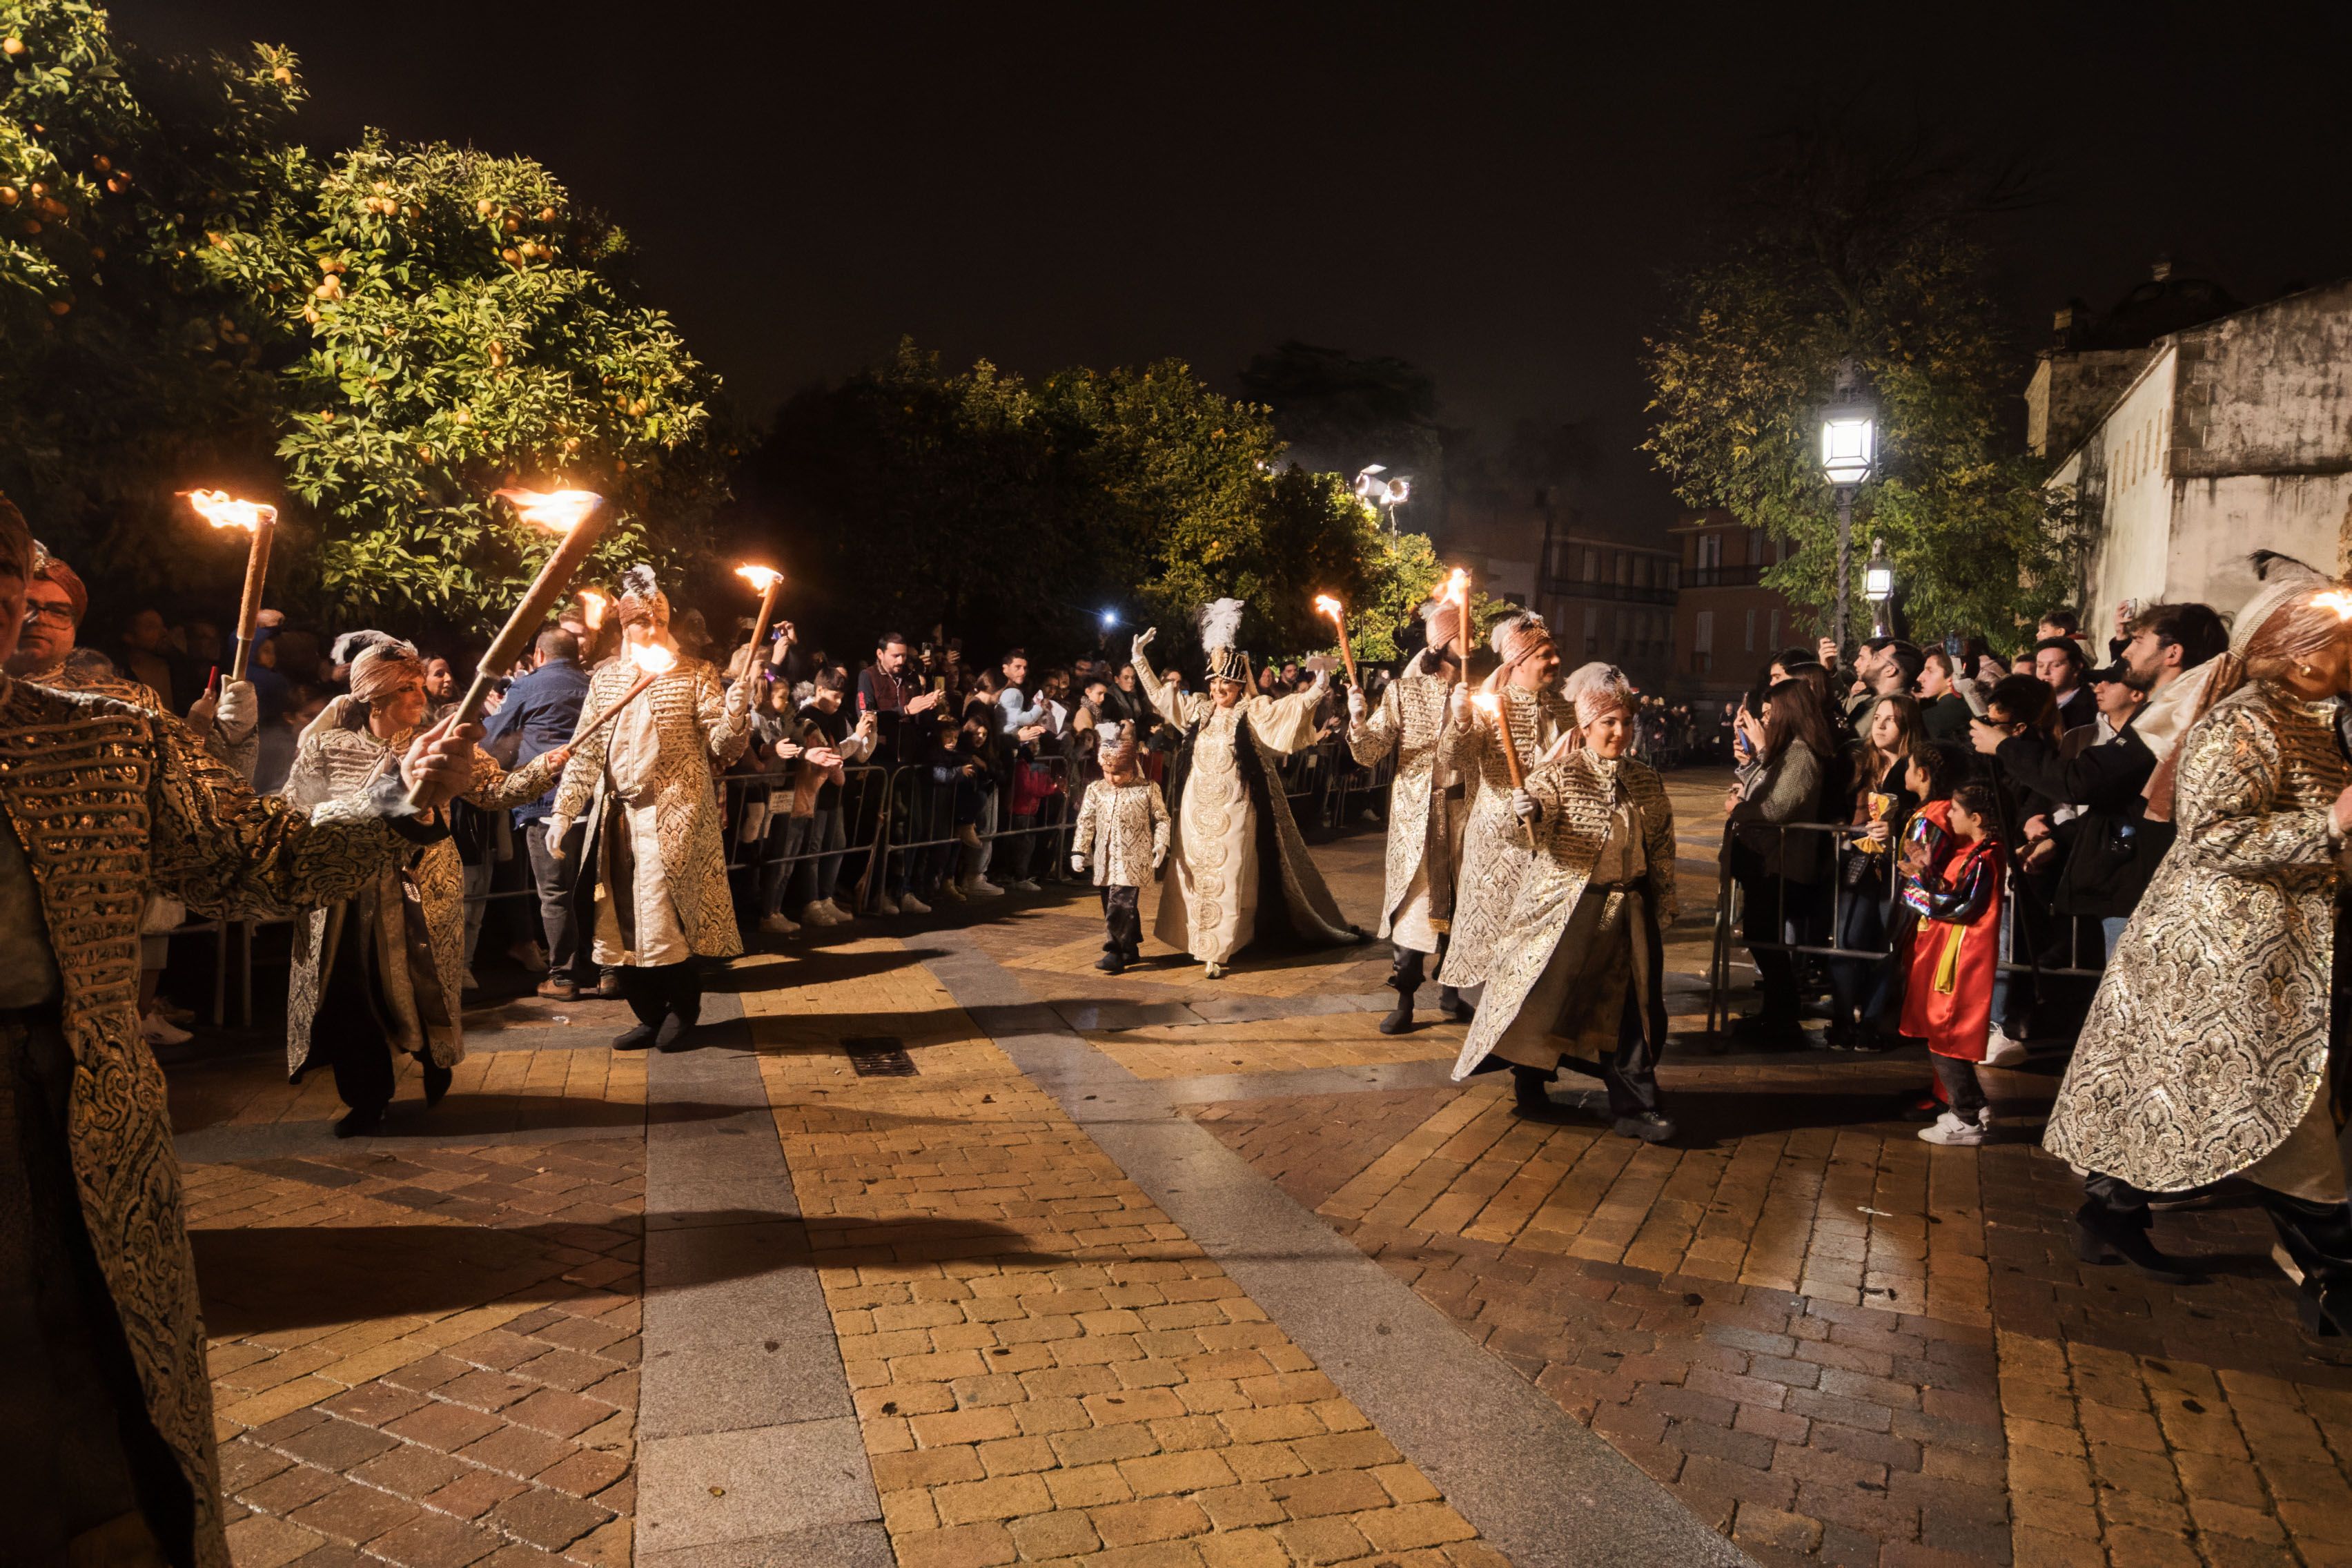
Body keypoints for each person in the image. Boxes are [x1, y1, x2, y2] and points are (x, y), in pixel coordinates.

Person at [0, 499, 483, 1567]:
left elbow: (252, 856)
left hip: (83, 1092)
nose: (12, 609)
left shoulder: (103, 732)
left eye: (17, 583)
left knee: (104, 1384)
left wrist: (400, 800)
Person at [2046, 581, 2352, 1326]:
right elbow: (2213, 837)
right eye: (2332, 639)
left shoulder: (2328, 722)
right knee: (2267, 1106)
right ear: (2291, 649)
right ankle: (2337, 1271)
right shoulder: (2241, 722)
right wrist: (2333, 824)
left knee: (2174, 1090)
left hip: (2290, 943)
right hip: (2225, 952)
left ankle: (2110, 1214)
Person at [284, 634, 568, 1135]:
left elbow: (495, 791)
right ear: (373, 695)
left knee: (424, 987)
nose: (420, 696)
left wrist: (547, 767)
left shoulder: (442, 741)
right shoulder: (327, 746)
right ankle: (367, 1098)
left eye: (420, 686)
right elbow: (294, 812)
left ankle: (435, 1061)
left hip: (423, 884)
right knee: (355, 996)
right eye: (405, 689)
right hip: (346, 896)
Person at [10, 545, 262, 1044]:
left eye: (58, 610)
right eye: (22, 605)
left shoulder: (123, 716)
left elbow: (211, 808)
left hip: (90, 1009)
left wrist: (230, 732)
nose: (38, 620)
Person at [1451, 665, 1678, 1141]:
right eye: (1608, 724)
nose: (1619, 732)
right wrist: (1524, 813)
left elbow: (1661, 847)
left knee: (1635, 1006)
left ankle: (1636, 1104)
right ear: (1586, 728)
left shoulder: (1646, 781)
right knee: (1549, 999)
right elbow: (1527, 833)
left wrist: (1663, 901)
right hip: (1569, 912)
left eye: (1626, 723)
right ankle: (1529, 1079)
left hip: (1629, 911)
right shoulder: (1559, 774)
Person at [546, 564, 754, 1050]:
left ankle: (683, 1010)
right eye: (644, 621)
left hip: (671, 817)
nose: (655, 630)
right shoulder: (606, 680)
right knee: (615, 923)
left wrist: (737, 711)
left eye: (661, 620)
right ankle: (647, 1013)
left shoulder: (696, 673)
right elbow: (587, 751)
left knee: (664, 921)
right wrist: (562, 812)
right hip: (616, 820)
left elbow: (722, 746)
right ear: (625, 626)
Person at [1128, 599, 1357, 979]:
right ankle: (1197, 943)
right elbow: (1162, 698)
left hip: (1236, 805)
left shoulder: (1252, 710)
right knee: (1194, 875)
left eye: (1227, 682)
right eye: (1215, 681)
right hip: (1195, 807)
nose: (1220, 688)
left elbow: (1289, 711)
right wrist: (1140, 660)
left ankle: (1220, 949)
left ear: (1238, 684)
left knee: (1230, 873)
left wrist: (1318, 688)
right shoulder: (1199, 709)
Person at [1347, 596, 1475, 1033]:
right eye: (1464, 634)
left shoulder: (1485, 692)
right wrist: (1359, 722)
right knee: (1414, 908)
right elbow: (1370, 753)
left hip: (1467, 814)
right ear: (1442, 643)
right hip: (1417, 817)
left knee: (1462, 903)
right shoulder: (1403, 691)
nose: (1473, 641)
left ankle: (1453, 994)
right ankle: (1405, 999)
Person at [1438, 610, 1574, 996]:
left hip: (1554, 840)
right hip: (1499, 843)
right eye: (1545, 655)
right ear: (1518, 662)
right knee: (1499, 933)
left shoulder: (1565, 708)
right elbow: (1455, 759)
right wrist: (1461, 721)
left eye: (1555, 652)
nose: (1556, 661)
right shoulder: (1488, 705)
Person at [483, 625, 596, 999]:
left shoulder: (528, 686)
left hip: (546, 802)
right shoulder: (596, 684)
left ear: (539, 656)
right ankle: (608, 969)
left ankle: (563, 977)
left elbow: (491, 738)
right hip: (594, 802)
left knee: (554, 893)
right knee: (597, 888)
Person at [1723, 679, 1835, 1043]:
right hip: (1765, 860)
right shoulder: (1785, 750)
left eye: (1771, 713)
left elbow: (1778, 806)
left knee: (1765, 938)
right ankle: (1775, 1012)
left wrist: (1740, 809)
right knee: (1761, 936)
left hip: (1780, 862)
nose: (1766, 720)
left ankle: (1782, 1016)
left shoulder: (1802, 753)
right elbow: (1761, 785)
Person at [1901, 781, 2006, 1146]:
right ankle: (1971, 1105)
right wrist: (1927, 871)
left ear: (1976, 818)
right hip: (1952, 953)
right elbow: (1951, 893)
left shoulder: (1985, 857)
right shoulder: (1976, 852)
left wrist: (1916, 888)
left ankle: (1966, 1117)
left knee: (1947, 1036)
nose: (1948, 815)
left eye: (1957, 811)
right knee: (1943, 1034)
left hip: (1962, 958)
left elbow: (1960, 905)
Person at [1827, 694, 1921, 1050]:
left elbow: (1927, 814)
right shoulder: (1856, 760)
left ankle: (1871, 1022)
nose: (1879, 726)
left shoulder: (1918, 766)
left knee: (1887, 945)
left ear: (1908, 727)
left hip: (1897, 868)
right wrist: (1845, 829)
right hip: (1855, 862)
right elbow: (1835, 806)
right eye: (1877, 717)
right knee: (1846, 940)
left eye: (1890, 720)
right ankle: (1841, 1020)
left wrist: (1896, 832)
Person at [1069, 721, 1170, 974]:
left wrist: (1161, 844)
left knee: (1120, 903)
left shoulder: (1147, 790)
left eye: (1118, 773)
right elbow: (1086, 821)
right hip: (1106, 858)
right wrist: (1079, 850)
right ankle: (1130, 948)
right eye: (1106, 772)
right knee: (1112, 902)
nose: (1112, 778)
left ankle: (1114, 951)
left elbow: (1161, 818)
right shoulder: (1096, 790)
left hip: (1134, 858)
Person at [856, 630, 945, 915]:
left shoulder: (910, 678)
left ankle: (905, 890)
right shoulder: (867, 677)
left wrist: (930, 705)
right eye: (895, 655)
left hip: (908, 762)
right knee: (882, 830)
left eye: (904, 655)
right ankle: (877, 893)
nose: (900, 660)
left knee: (914, 827)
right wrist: (905, 709)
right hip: (881, 763)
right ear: (880, 654)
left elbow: (920, 720)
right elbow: (867, 714)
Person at [2034, 636, 2095, 734]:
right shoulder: (2033, 704)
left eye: (2056, 665)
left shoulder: (2091, 708)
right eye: (2040, 666)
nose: (2045, 672)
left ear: (2076, 668)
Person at [1915, 649, 1974, 741]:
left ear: (1952, 676)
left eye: (1930, 671)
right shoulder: (1971, 708)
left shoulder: (1929, 718)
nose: (1920, 678)